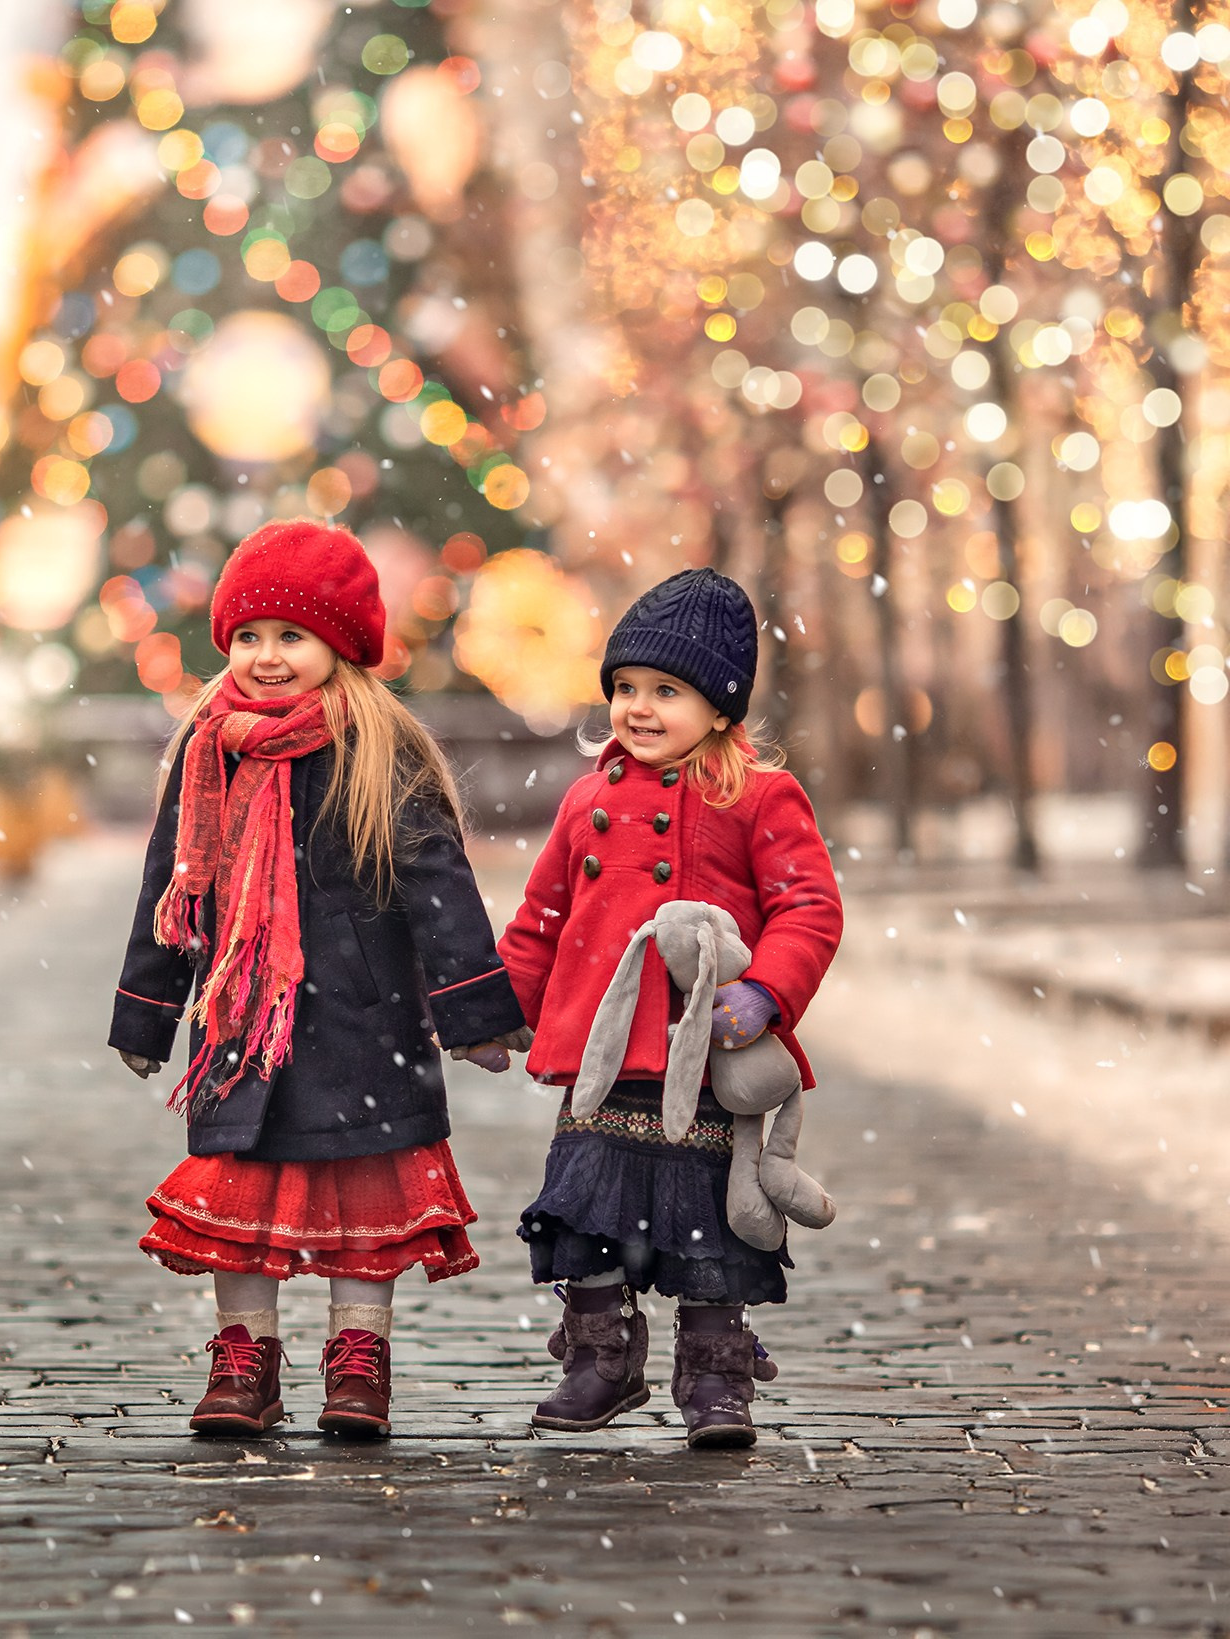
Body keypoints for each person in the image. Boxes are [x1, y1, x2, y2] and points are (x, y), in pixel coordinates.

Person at [110, 519, 530, 1440]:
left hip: (361, 1016)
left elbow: (439, 885)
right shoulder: (210, 749)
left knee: (365, 1195)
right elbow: (169, 888)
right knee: (236, 1189)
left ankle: (358, 1357)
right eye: (250, 636)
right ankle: (245, 1356)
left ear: (340, 646)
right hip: (240, 1017)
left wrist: (473, 1012)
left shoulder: (383, 750)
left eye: (292, 637)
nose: (267, 658)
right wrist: (146, 1012)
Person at [498, 568, 843, 1447]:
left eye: (666, 691)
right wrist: (494, 1008)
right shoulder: (587, 800)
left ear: (722, 708)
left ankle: (717, 1371)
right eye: (623, 688)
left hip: (703, 1055)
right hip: (602, 1058)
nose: (638, 708)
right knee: (589, 1208)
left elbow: (809, 906)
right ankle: (600, 1358)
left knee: (710, 1224)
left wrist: (765, 990)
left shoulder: (759, 796)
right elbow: (540, 920)